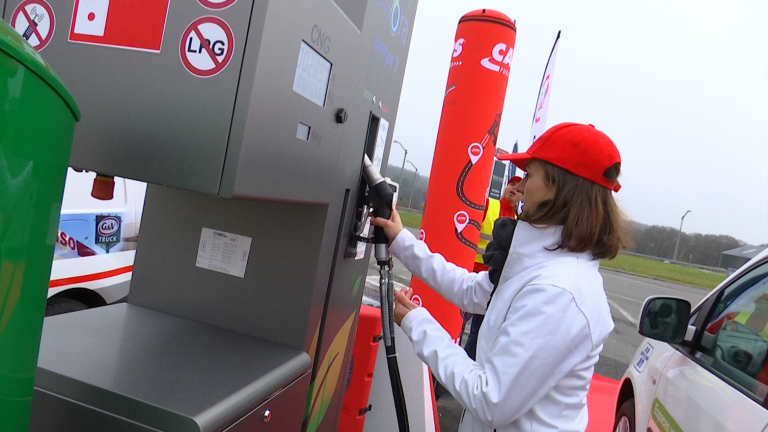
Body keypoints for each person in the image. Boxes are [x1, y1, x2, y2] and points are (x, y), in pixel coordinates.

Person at [372, 123, 629, 432]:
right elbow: (471, 291)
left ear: (558, 187)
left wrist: (418, 324)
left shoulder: (560, 292)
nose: (520, 185)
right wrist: (401, 241)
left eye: (530, 174)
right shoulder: (542, 264)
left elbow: (489, 400)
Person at [463, 175, 523, 360]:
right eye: (511, 184)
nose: (514, 188)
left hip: (493, 284)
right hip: (471, 276)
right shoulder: (489, 205)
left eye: (518, 186)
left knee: (478, 334)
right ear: (505, 187)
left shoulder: (519, 221)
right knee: (457, 325)